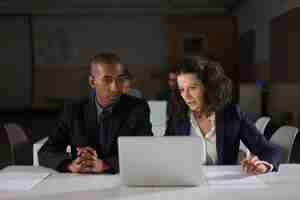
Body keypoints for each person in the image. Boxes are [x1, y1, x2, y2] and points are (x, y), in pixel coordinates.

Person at [38, 53, 152, 174]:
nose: (114, 88)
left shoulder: (137, 108)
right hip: (80, 182)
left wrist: (105, 165)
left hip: (120, 180)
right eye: (107, 80)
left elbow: (145, 151)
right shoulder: (73, 110)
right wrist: (70, 165)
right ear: (92, 82)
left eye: (119, 80)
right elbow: (46, 152)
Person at [165, 56, 281, 174]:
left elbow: (270, 151)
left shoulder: (231, 114)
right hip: (188, 186)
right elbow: (164, 153)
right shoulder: (178, 116)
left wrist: (262, 165)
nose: (186, 96)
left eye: (192, 88)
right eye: (182, 90)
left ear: (208, 87)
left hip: (223, 187)